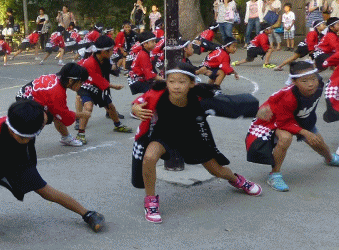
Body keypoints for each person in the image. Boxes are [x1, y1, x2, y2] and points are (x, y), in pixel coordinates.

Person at [0, 99, 105, 248]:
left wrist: (80, 115)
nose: (27, 141)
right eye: (22, 138)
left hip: (17, 159)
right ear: (11, 129)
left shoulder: (38, 118)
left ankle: (88, 214)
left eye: (30, 137)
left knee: (45, 190)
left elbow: (58, 114)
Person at [131, 62, 262, 224]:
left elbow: (230, 104)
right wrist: (135, 108)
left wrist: (258, 110)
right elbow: (138, 102)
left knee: (217, 171)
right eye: (171, 81)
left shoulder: (200, 98)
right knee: (149, 157)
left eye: (182, 82)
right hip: (164, 134)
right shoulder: (157, 94)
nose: (176, 86)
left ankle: (236, 180)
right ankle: (150, 200)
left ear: (192, 83)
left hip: (192, 137)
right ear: (166, 82)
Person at [246, 61, 339, 192]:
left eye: (313, 78)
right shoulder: (288, 97)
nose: (311, 84)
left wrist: (308, 128)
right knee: (285, 138)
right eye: (304, 81)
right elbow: (283, 122)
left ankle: (329, 158)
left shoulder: (319, 85)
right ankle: (274, 174)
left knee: (318, 142)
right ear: (294, 82)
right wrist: (305, 132)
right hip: (275, 120)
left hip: (301, 118)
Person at [74, 35, 132, 144]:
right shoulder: (90, 62)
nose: (113, 52)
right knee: (88, 107)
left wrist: (114, 68)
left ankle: (118, 125)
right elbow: (97, 79)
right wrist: (113, 86)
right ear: (104, 51)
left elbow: (109, 70)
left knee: (110, 106)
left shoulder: (105, 59)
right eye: (111, 50)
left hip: (98, 86)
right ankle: (80, 133)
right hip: (86, 86)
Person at [16, 63, 88, 146]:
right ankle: (24, 140)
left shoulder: (57, 78)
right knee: (42, 118)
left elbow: (59, 112)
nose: (82, 85)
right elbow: (65, 116)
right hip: (26, 99)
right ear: (71, 81)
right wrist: (81, 115)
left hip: (26, 94)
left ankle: (66, 137)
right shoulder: (57, 92)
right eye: (81, 82)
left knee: (56, 114)